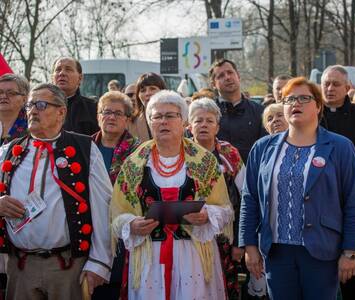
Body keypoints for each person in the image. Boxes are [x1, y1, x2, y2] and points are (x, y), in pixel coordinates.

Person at [239, 77, 355, 300]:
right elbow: (249, 198)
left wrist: (350, 251)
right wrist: (249, 245)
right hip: (277, 252)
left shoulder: (340, 147)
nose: (295, 103)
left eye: (304, 98)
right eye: (289, 99)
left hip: (321, 251)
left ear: (318, 106)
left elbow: (354, 202)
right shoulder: (263, 148)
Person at [111, 90, 233, 299]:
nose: (163, 122)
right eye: (157, 117)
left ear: (183, 121)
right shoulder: (134, 162)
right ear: (149, 122)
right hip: (149, 255)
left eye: (170, 116)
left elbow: (225, 210)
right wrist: (131, 224)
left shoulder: (204, 161)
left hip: (194, 255)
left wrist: (207, 215)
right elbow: (117, 212)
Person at [0, 83, 112, 299]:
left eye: (41, 104)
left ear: (61, 112)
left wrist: (99, 262)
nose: (32, 110)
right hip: (20, 266)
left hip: (68, 266)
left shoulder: (84, 148)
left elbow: (103, 206)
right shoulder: (8, 151)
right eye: (30, 104)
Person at [320, 65, 355, 300]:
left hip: (353, 199)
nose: (330, 89)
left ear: (348, 88)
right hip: (321, 202)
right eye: (326, 84)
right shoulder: (315, 113)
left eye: (336, 84)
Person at [188, 97, 246, 299]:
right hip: (188, 236)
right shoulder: (180, 152)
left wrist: (240, 240)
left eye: (209, 121)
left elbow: (245, 197)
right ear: (189, 125)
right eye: (198, 120)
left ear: (217, 126)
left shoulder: (229, 153)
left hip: (225, 236)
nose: (203, 125)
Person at [91, 91, 140, 300]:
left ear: (128, 120)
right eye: (106, 112)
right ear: (98, 116)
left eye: (118, 113)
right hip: (90, 228)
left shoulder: (139, 151)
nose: (111, 117)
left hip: (125, 233)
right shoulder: (84, 148)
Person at [209, 59, 266, 163]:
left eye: (230, 72)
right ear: (213, 84)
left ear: (238, 76)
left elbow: (265, 149)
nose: (227, 77)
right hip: (217, 176)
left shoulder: (260, 112)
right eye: (221, 76)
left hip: (252, 175)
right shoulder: (208, 113)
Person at [52, 57, 99, 135]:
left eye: (68, 69)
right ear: (52, 78)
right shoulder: (40, 107)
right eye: (58, 70)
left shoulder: (93, 108)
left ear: (80, 78)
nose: (62, 73)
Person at [127, 73, 166, 142]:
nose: (147, 93)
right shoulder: (130, 123)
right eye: (143, 90)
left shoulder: (176, 117)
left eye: (152, 89)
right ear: (138, 96)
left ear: (163, 91)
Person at [0, 74, 29, 146]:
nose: (3, 96)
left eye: (11, 93)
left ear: (24, 99)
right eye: (0, 92)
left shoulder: (33, 128)